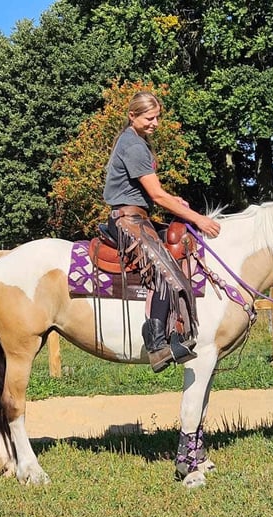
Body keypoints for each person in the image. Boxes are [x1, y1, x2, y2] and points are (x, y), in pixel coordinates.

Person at [103, 91, 221, 372]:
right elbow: (156, 195)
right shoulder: (134, 145)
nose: (155, 123)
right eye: (149, 117)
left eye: (157, 117)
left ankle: (176, 331)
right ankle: (157, 344)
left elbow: (150, 193)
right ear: (132, 116)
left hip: (138, 216)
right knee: (163, 269)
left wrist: (174, 201)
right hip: (127, 221)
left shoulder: (138, 142)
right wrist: (198, 219)